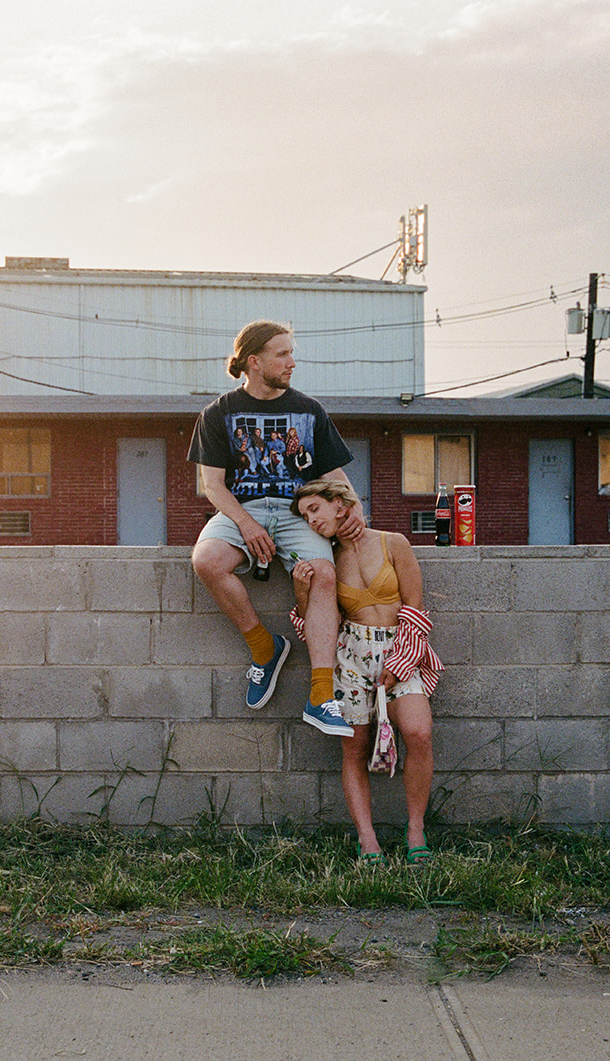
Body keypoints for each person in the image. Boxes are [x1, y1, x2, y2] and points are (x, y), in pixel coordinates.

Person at [187, 320, 365, 736]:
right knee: (208, 560)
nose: (292, 363)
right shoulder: (218, 413)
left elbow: (332, 470)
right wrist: (246, 524)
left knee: (323, 573)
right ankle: (265, 650)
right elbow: (212, 485)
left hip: (295, 511)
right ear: (254, 361)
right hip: (241, 507)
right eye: (282, 354)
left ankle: (321, 697)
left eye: (291, 353)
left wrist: (352, 507)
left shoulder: (309, 410)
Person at [290, 479, 441, 865]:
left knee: (419, 733)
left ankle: (415, 832)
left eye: (314, 510)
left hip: (399, 653)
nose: (310, 521)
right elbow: (315, 626)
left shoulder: (394, 543)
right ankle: (368, 840)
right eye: (305, 516)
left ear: (340, 504)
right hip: (351, 658)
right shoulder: (324, 558)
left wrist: (399, 663)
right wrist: (301, 589)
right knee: (354, 749)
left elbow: (416, 611)